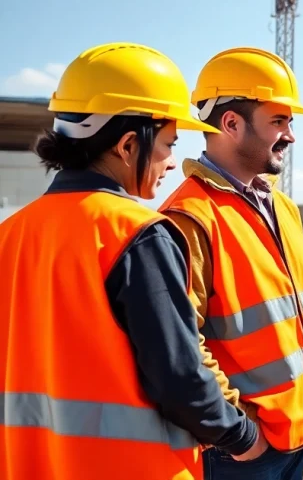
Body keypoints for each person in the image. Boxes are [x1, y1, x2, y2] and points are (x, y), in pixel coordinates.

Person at [0, 42, 266, 480]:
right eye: (168, 143)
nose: (171, 163)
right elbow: (179, 376)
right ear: (127, 145)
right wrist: (241, 436)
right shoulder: (137, 233)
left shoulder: (13, 233)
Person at [160, 47, 303, 480]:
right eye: (278, 122)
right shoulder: (188, 217)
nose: (290, 135)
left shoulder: (283, 208)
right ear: (231, 124)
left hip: (299, 431)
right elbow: (183, 347)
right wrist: (239, 434)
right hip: (241, 453)